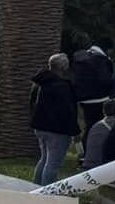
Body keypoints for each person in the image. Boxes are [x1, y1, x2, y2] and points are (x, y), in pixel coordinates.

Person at [28, 53, 78, 185]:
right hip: (57, 129)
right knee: (53, 163)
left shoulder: (40, 82)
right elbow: (68, 110)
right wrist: (75, 131)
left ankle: (36, 186)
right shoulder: (61, 86)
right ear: (63, 67)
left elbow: (32, 103)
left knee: (44, 159)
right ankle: (46, 191)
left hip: (40, 126)